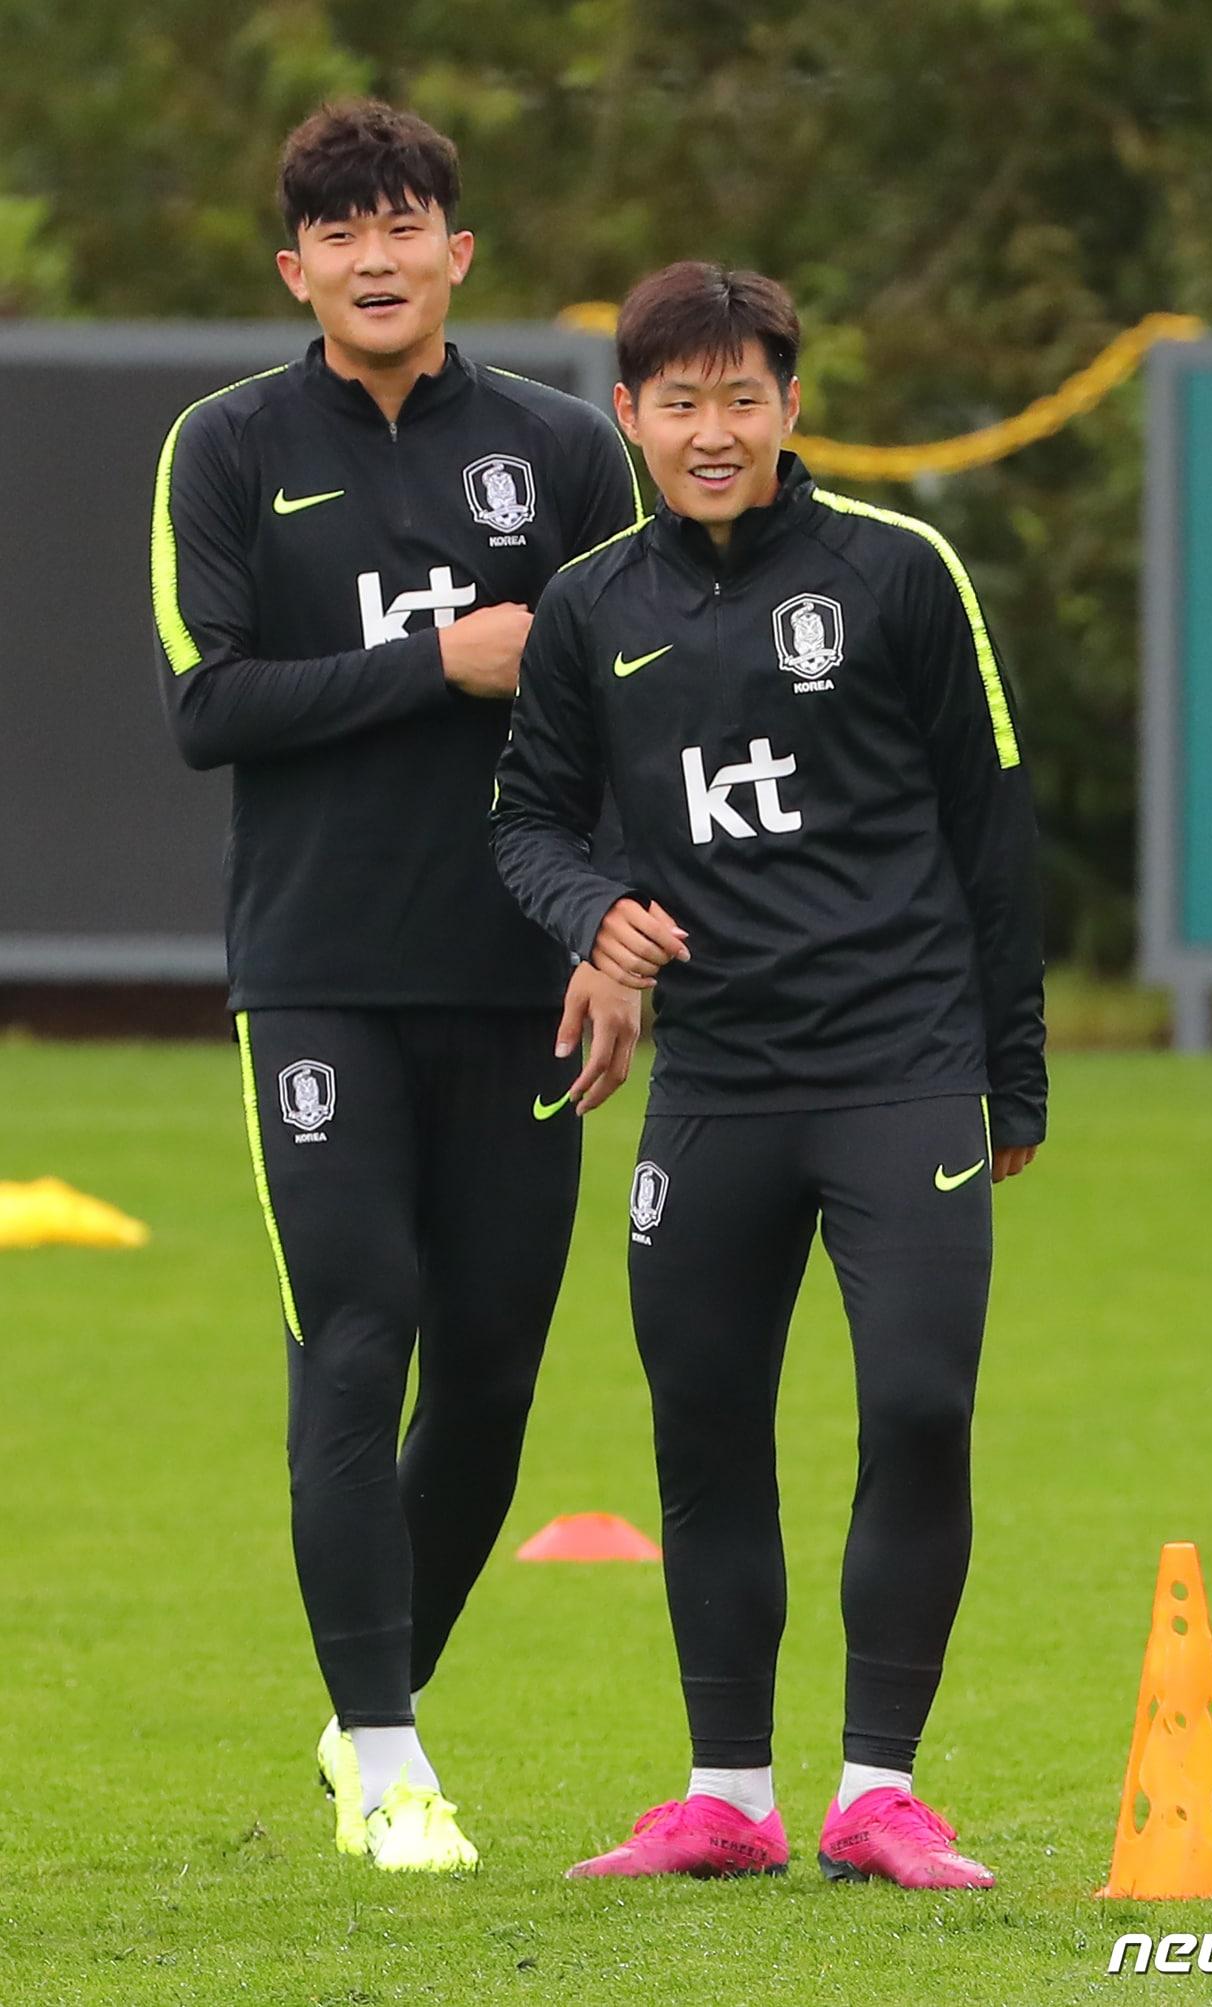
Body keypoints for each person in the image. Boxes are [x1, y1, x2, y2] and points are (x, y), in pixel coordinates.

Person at [491, 261, 1046, 1889]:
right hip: (717, 1083)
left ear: (792, 406)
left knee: (920, 1403)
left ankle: (881, 1793)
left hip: (904, 1066)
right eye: (681, 403)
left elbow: (992, 827)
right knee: (708, 1422)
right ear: (630, 417)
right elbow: (527, 822)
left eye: (744, 397)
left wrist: (1012, 1078)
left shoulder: (898, 571)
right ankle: (728, 1794)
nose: (714, 431)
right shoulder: (590, 607)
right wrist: (595, 913)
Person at [151, 99, 642, 1872]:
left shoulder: (563, 450)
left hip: (520, 980)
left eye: (405, 223)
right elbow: (208, 706)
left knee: (492, 1385)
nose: (377, 257)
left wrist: (610, 933)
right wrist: (439, 660)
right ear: (296, 269)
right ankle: (387, 1756)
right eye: (342, 233)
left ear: (459, 253)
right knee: (357, 1339)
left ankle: (373, 1704)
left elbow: (629, 710)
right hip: (320, 979)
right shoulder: (225, 447)